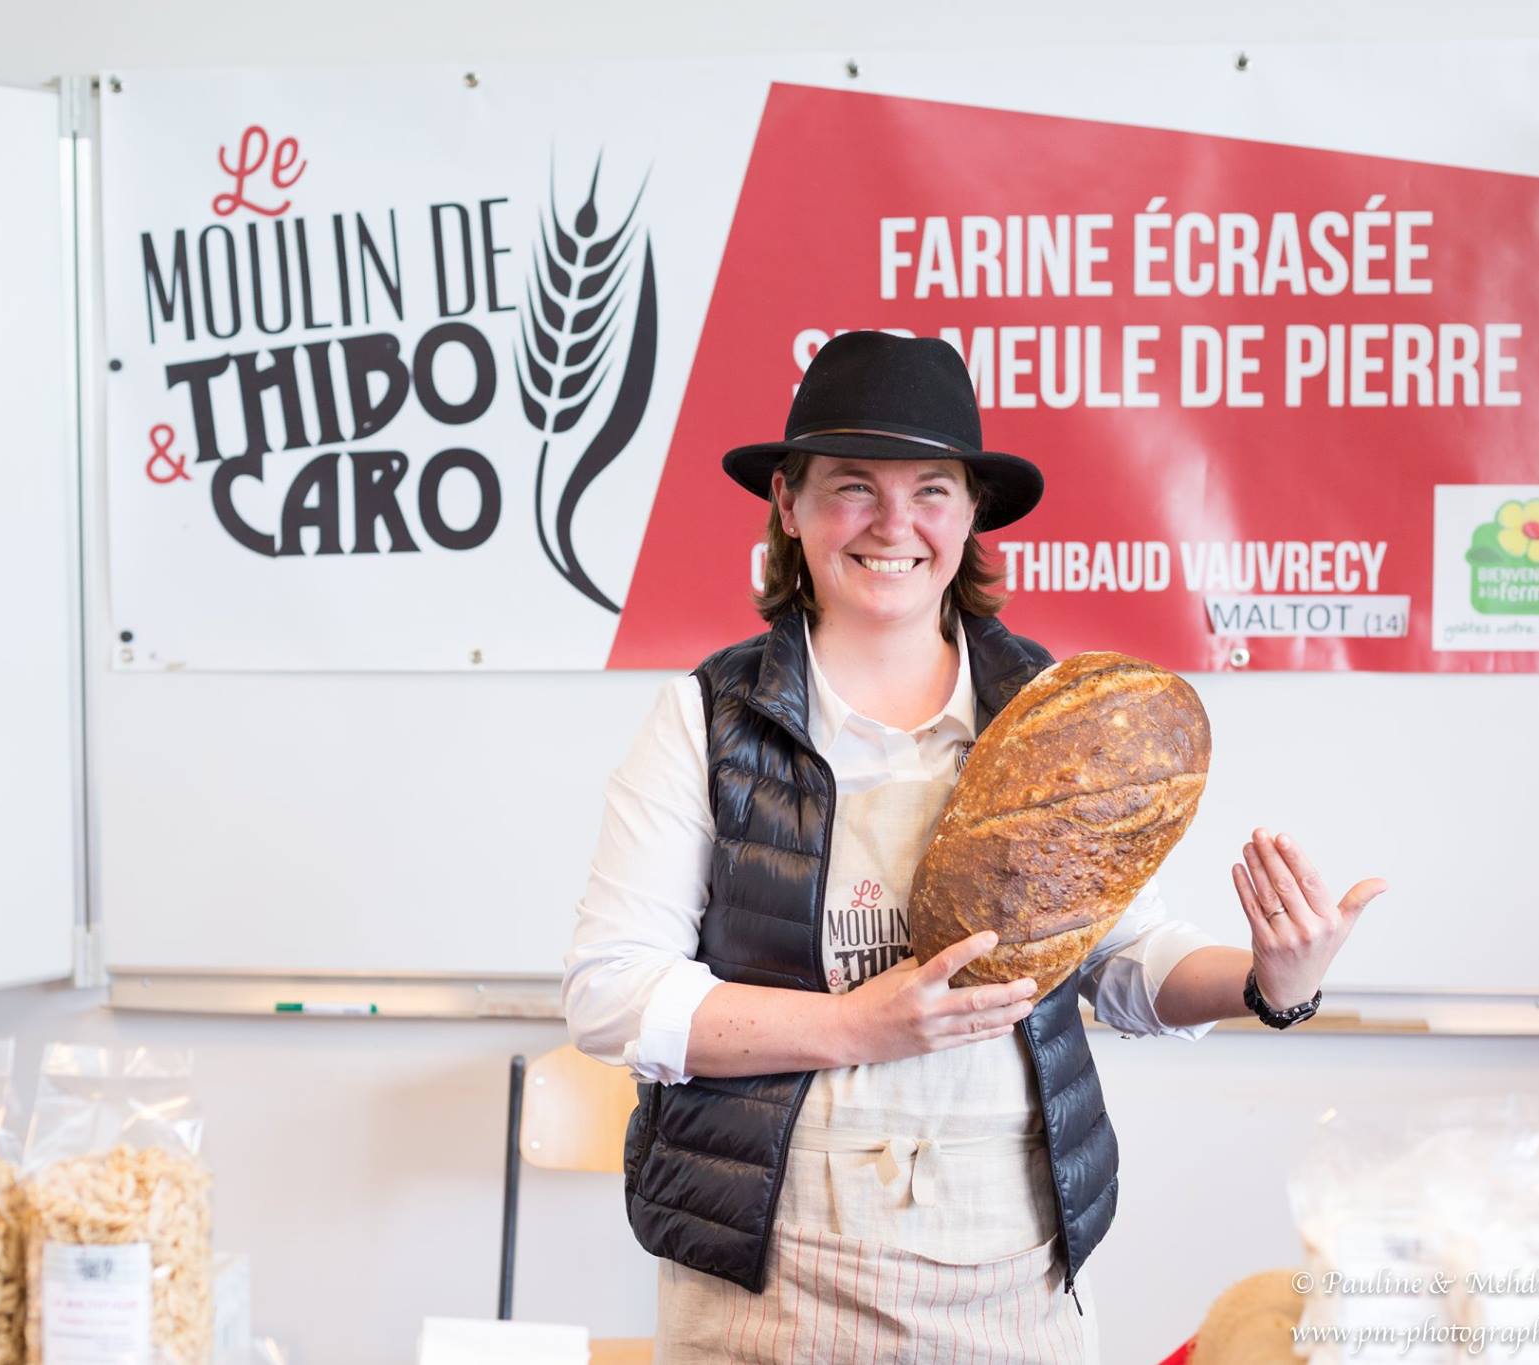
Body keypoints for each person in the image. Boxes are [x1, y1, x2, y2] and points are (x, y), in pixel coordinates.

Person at [562, 331, 1388, 1362]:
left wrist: (1269, 980)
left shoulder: (1047, 712)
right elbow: (611, 993)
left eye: (931, 491)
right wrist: (853, 1028)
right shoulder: (707, 720)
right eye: (851, 487)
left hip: (1005, 1271)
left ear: (970, 513)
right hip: (766, 1292)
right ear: (787, 502)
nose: (893, 525)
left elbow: (1122, 958)